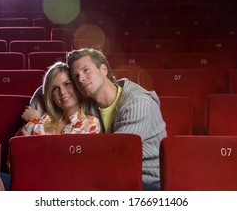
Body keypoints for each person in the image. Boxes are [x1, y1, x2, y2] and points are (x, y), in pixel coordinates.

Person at [66, 48, 167, 191]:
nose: (81, 79)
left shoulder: (138, 102)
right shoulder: (89, 104)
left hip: (146, 181)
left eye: (86, 70)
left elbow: (116, 153)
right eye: (76, 77)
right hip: (111, 177)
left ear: (103, 69)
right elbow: (51, 88)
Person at [0, 61, 101, 191]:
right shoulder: (45, 117)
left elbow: (62, 163)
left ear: (77, 86)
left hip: (60, 187)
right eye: (55, 88)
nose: (62, 92)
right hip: (26, 181)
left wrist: (35, 122)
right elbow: (14, 154)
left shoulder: (90, 123)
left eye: (67, 84)